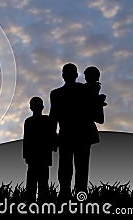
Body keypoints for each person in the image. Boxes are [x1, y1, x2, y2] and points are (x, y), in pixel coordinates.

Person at [50, 63, 100, 200]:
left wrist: (53, 136)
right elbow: (53, 118)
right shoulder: (85, 90)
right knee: (78, 168)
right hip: (78, 135)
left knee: (71, 167)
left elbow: (53, 118)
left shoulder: (57, 94)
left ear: (63, 76)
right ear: (77, 75)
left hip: (70, 134)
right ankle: (75, 195)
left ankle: (68, 195)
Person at [23, 97, 57, 202]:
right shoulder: (34, 121)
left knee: (38, 182)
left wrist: (26, 155)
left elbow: (27, 139)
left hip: (40, 155)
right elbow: (26, 139)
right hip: (37, 155)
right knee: (36, 182)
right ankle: (36, 203)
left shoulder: (43, 120)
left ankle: (37, 203)